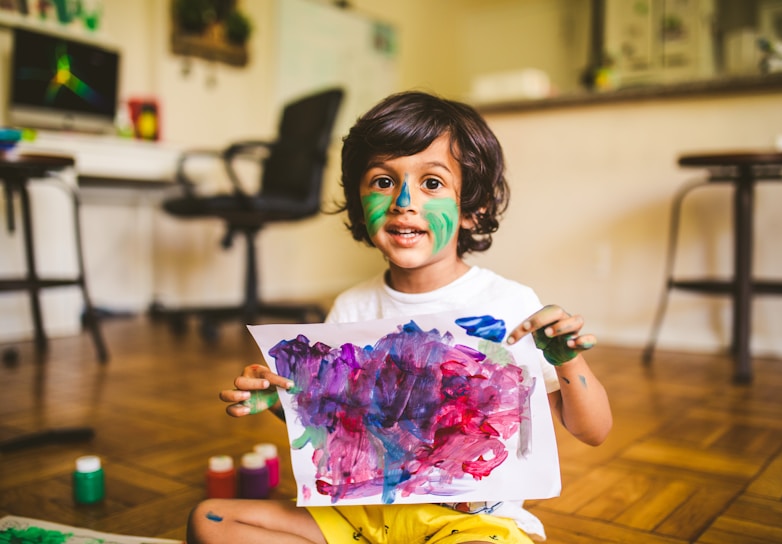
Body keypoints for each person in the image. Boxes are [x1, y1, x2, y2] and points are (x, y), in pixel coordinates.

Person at [186, 90, 613, 544]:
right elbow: (334, 424)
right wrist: (279, 404)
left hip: (472, 524)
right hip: (363, 518)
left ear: (473, 209)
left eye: (432, 183)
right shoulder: (351, 309)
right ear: (358, 200)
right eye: (383, 181)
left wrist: (568, 361)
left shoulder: (509, 303)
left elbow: (594, 431)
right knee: (211, 520)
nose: (403, 200)